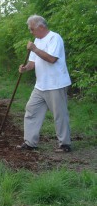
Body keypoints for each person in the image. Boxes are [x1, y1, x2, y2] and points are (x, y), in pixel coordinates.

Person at [17, 15, 72, 152]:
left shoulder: (54, 38)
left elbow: (52, 59)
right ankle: (30, 142)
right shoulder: (37, 40)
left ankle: (64, 144)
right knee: (31, 110)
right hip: (40, 85)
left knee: (59, 114)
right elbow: (33, 62)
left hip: (56, 84)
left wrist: (35, 49)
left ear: (41, 27)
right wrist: (26, 68)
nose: (31, 32)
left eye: (32, 29)